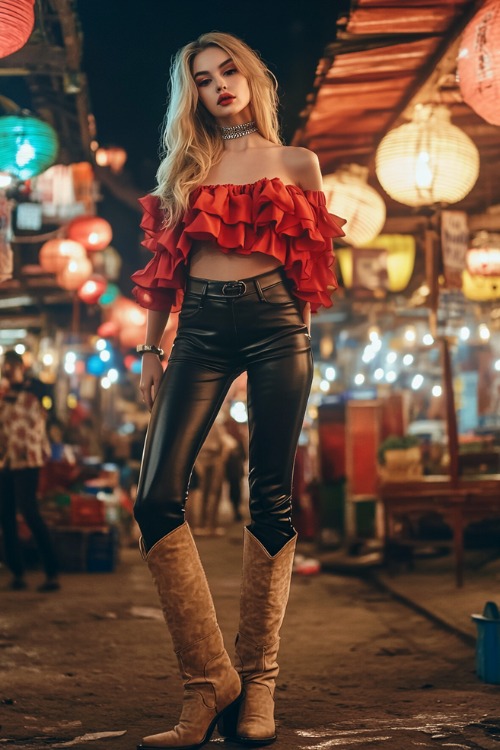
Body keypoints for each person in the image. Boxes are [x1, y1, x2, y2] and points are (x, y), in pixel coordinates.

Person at [131, 31, 345, 750]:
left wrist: (297, 343)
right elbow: (163, 270)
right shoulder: (183, 170)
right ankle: (208, 681)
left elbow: (313, 271)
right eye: (202, 77)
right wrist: (150, 346)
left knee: (270, 493)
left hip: (277, 322)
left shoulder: (297, 164)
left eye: (228, 71)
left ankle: (258, 684)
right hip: (198, 330)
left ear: (250, 78)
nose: (218, 84)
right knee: (154, 495)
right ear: (189, 93)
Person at [0, 351, 60, 592]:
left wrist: (27, 387)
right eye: (6, 366)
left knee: (29, 511)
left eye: (12, 366)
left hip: (29, 459)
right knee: (6, 516)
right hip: (6, 460)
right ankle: (17, 572)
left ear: (20, 367)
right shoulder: (3, 394)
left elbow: (48, 405)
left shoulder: (35, 387)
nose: (8, 370)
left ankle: (52, 571)